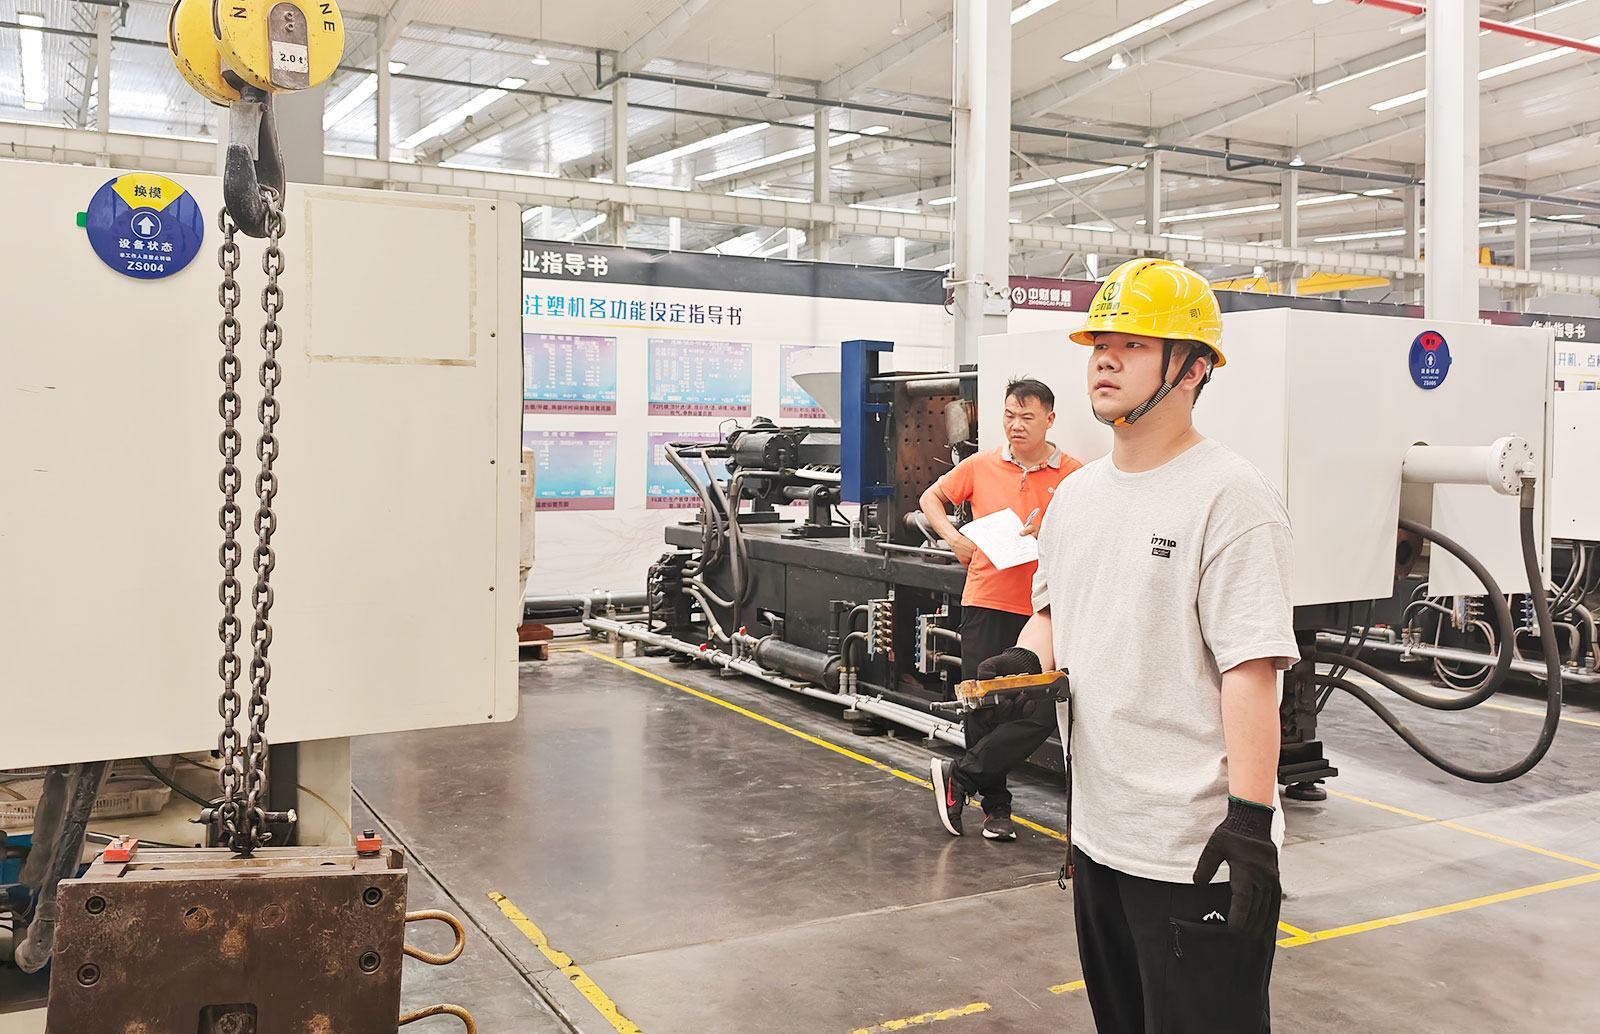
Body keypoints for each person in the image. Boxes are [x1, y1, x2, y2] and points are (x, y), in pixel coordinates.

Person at [994, 258, 1298, 1033]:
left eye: (1133, 344)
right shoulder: (1076, 496)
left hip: (1196, 851)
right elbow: (1053, 614)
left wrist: (1249, 822)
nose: (1105, 358)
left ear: (1192, 368)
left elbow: (1252, 669)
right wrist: (1027, 662)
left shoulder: (1230, 495)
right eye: (1101, 343)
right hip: (1100, 836)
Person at [919, 378, 1082, 840]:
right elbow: (931, 498)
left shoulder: (1074, 475)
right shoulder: (980, 465)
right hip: (986, 599)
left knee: (1038, 711)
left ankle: (961, 776)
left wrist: (1051, 532)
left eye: (1027, 416)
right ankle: (996, 809)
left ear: (1050, 420)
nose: (1016, 425)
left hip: (1043, 610)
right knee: (982, 707)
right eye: (1010, 415)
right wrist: (954, 539)